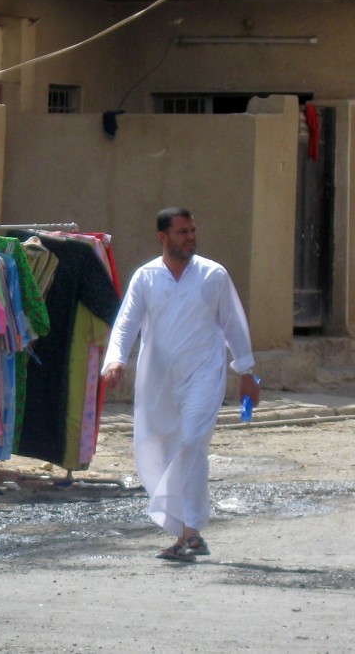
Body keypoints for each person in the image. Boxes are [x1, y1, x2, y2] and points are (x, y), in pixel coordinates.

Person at [101, 207, 261, 562]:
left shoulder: (212, 275)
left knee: (191, 442)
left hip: (204, 377)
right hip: (158, 381)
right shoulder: (146, 277)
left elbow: (234, 324)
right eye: (182, 232)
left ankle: (191, 531)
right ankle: (186, 533)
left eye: (192, 230)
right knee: (164, 450)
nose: (190, 237)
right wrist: (115, 359)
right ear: (163, 237)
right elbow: (126, 323)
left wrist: (247, 373)